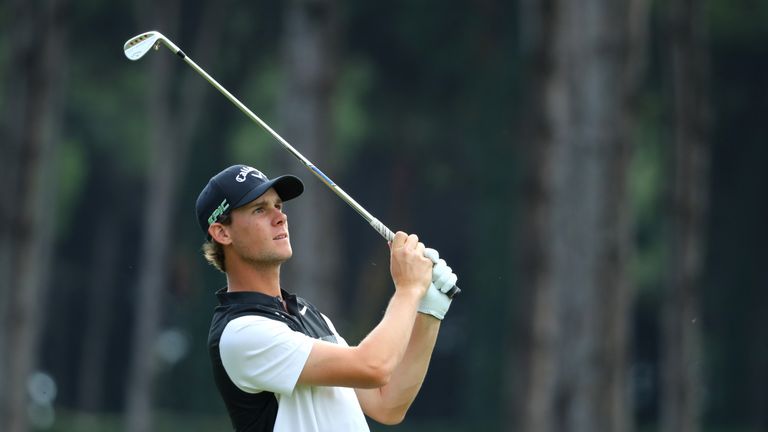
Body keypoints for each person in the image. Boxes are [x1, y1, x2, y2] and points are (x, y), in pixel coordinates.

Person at [195, 164, 457, 432]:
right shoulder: (240, 332)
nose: (280, 217)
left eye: (278, 206)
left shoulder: (308, 314)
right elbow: (373, 367)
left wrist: (428, 310)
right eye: (259, 209)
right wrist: (409, 289)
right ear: (222, 233)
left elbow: (387, 405)